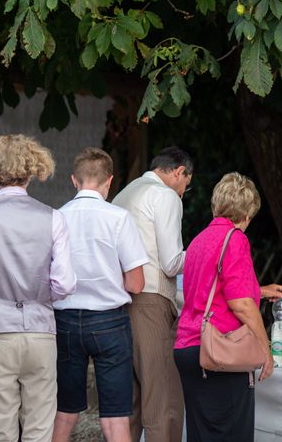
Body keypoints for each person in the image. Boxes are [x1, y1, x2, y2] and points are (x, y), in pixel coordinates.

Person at [0, 134, 76, 442]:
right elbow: (65, 284)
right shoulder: (53, 217)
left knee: (0, 428)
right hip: (41, 330)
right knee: (39, 426)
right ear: (32, 168)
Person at [52, 148, 149, 442]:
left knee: (64, 412)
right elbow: (136, 283)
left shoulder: (56, 218)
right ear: (109, 182)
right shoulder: (119, 218)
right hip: (109, 322)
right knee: (115, 418)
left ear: (74, 180)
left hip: (64, 320)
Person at [174, 172, 274, 442]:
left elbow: (209, 290)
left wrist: (260, 291)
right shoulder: (235, 239)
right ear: (248, 213)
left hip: (188, 348)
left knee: (202, 434)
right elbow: (240, 303)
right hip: (220, 351)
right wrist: (265, 349)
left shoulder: (198, 240)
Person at [112, 146, 192, 442]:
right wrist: (202, 253)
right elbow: (171, 262)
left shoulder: (124, 194)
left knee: (131, 400)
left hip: (120, 304)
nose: (184, 191)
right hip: (151, 301)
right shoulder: (166, 196)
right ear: (179, 172)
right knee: (163, 398)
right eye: (187, 183)